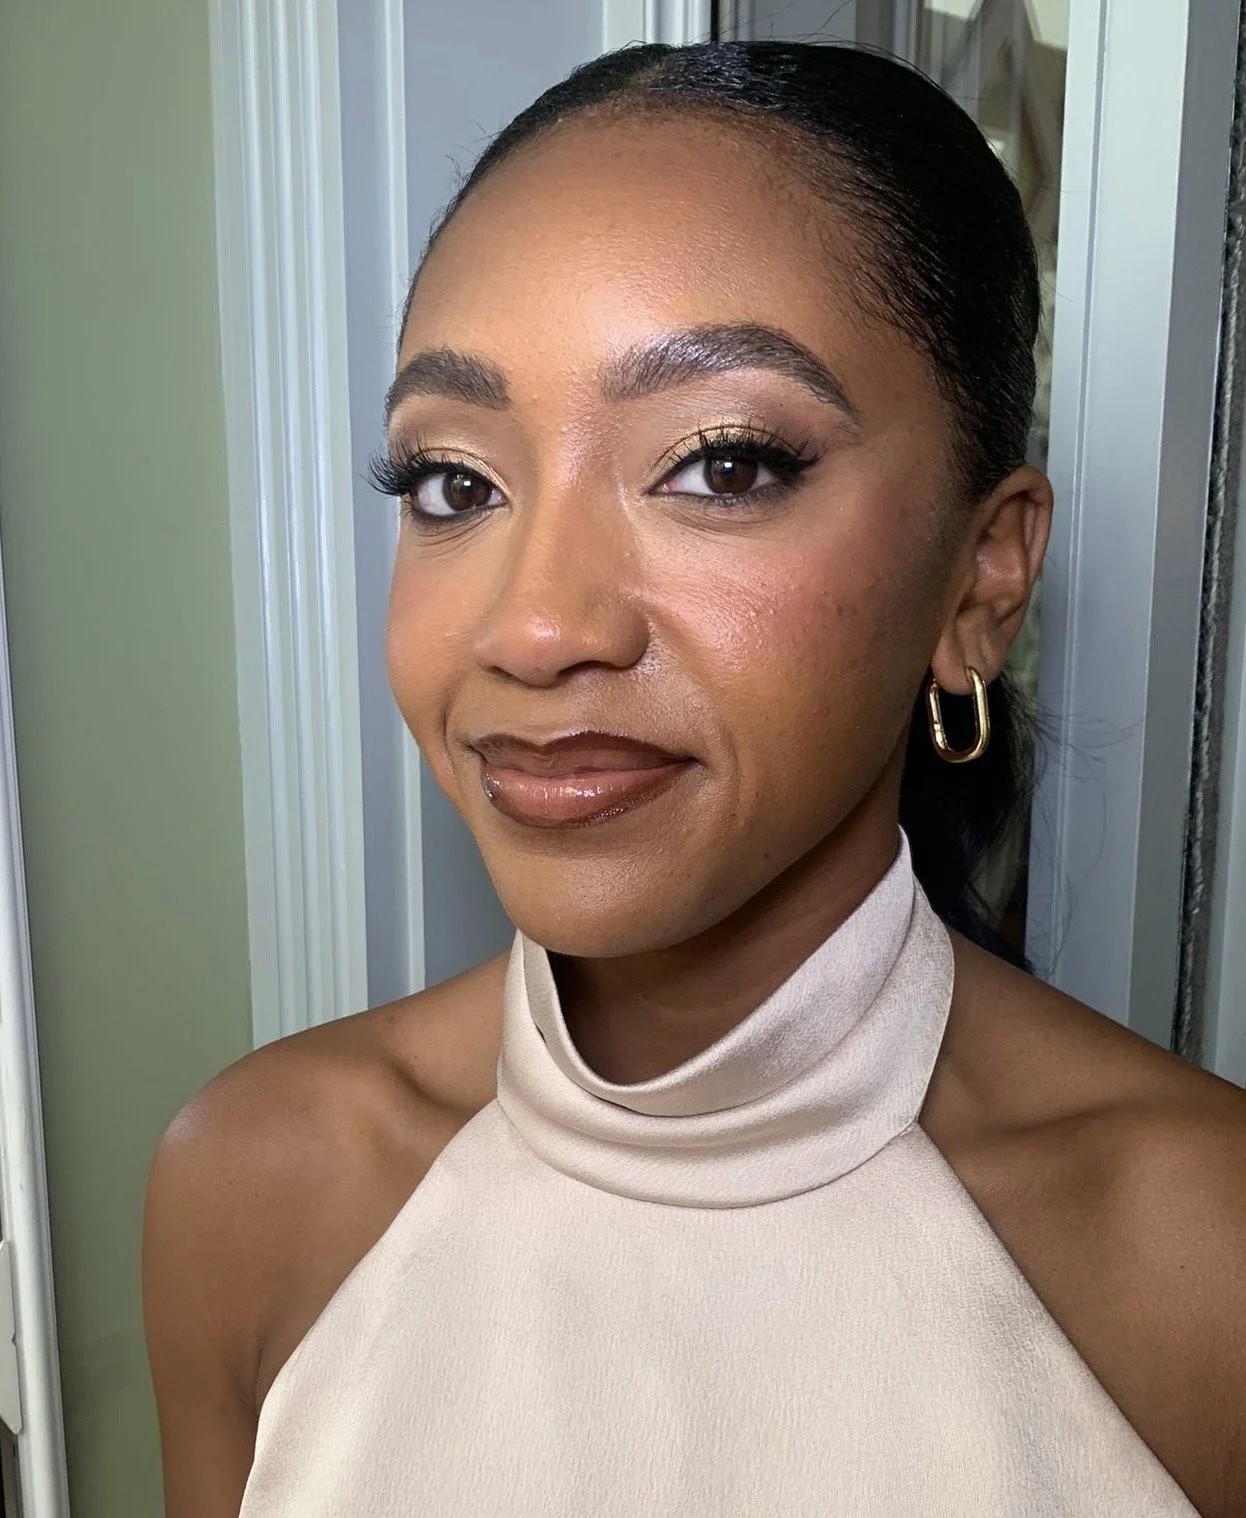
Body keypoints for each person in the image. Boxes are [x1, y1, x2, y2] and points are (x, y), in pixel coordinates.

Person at [143, 40, 1246, 1518]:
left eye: (722, 463)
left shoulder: (1204, 1260)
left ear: (981, 576)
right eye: (453, 483)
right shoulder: (251, 1182)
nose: (534, 626)